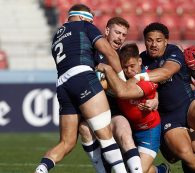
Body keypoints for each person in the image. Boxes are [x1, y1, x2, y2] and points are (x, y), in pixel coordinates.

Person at [100, 22, 195, 173]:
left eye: (159, 40)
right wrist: (155, 98)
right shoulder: (140, 61)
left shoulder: (173, 52)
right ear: (145, 41)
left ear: (166, 41)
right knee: (185, 156)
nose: (154, 44)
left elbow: (167, 72)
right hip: (168, 117)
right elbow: (140, 87)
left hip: (188, 106)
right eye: (150, 40)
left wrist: (139, 78)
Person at [34, 4, 127, 173]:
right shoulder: (85, 26)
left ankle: (42, 168)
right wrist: (123, 81)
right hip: (83, 77)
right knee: (105, 135)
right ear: (84, 18)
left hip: (62, 85)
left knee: (67, 143)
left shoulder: (56, 37)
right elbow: (110, 53)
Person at [98, 43, 169, 173]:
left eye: (132, 66)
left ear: (140, 61)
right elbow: (101, 85)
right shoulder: (119, 79)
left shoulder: (149, 78)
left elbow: (126, 91)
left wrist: (155, 100)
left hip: (149, 131)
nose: (129, 70)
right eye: (125, 67)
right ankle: (161, 170)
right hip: (130, 131)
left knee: (136, 170)